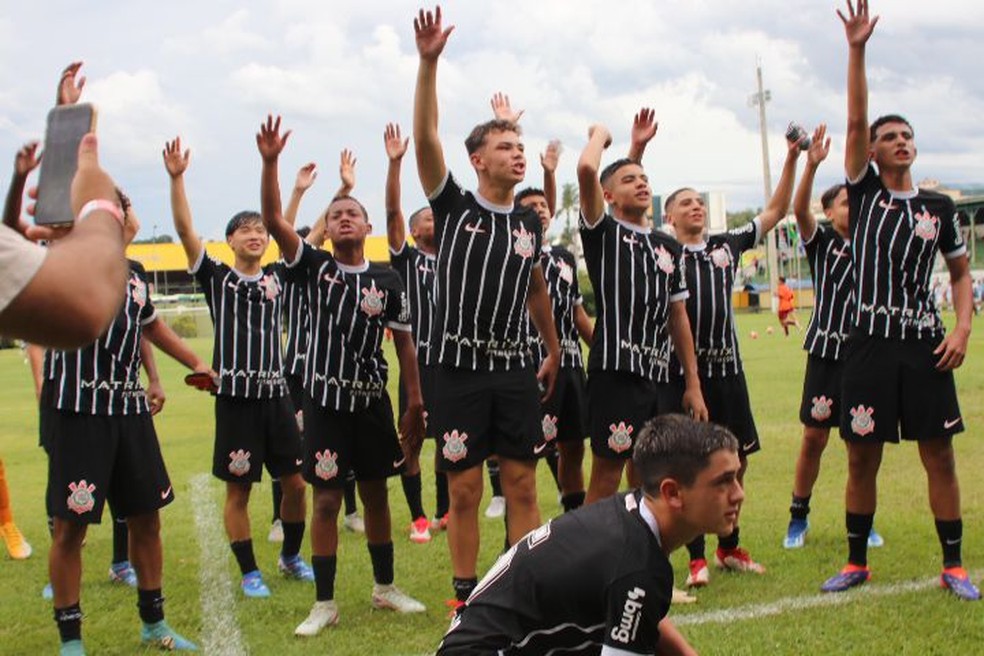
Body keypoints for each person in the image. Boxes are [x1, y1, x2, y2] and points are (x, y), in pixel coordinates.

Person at [821, 0, 978, 601]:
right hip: (867, 347)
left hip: (924, 345)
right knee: (862, 458)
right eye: (889, 137)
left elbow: (960, 274)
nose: (898, 141)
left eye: (907, 134)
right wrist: (857, 50)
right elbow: (855, 121)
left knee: (939, 456)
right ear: (875, 153)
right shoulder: (863, 195)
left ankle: (954, 566)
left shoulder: (939, 209)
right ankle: (856, 562)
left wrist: (961, 328)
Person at [413, 6, 562, 608]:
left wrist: (551, 348)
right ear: (478, 160)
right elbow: (425, 138)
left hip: (513, 368)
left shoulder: (528, 222)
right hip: (454, 368)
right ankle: (464, 595)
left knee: (523, 481)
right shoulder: (453, 207)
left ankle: (520, 586)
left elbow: (534, 288)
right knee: (466, 488)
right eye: (504, 146)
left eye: (519, 145)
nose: (516, 153)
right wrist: (429, 64)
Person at [257, 115, 428, 636]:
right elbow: (272, 220)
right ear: (326, 230)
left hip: (373, 403)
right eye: (336, 214)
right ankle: (324, 601)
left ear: (367, 226)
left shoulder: (387, 278)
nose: (345, 218)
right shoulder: (312, 267)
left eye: (353, 212)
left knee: (377, 494)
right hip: (326, 404)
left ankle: (384, 588)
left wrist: (415, 403)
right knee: (327, 500)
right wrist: (271, 163)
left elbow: (403, 343)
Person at [436, 414, 742, 655]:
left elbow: (640, 611)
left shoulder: (632, 510)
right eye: (724, 482)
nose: (738, 494)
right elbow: (635, 590)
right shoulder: (637, 566)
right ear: (673, 493)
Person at [42, 196, 201, 655]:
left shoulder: (134, 273)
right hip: (78, 412)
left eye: (115, 210)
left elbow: (148, 328)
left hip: (129, 412)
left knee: (146, 519)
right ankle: (71, 641)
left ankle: (154, 624)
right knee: (70, 528)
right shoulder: (62, 257)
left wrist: (193, 363)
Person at [651, 121, 802, 587]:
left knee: (737, 459)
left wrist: (793, 156)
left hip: (727, 371)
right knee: (691, 463)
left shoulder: (724, 246)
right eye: (685, 203)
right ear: (670, 217)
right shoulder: (662, 251)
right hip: (683, 376)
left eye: (699, 201)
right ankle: (694, 558)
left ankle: (728, 546)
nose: (695, 207)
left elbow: (776, 210)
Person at [163, 135, 312, 599]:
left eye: (259, 230)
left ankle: (290, 555)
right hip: (235, 401)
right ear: (229, 240)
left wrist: (300, 193)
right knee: (239, 491)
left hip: (278, 397)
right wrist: (177, 178)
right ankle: (250, 571)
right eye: (245, 229)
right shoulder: (217, 278)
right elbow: (186, 231)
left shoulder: (275, 277)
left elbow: (287, 229)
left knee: (294, 483)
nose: (255, 234)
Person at [576, 119, 707, 507]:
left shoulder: (668, 246)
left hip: (660, 376)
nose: (641, 183)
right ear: (608, 196)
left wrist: (693, 383)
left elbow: (678, 315)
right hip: (615, 374)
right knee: (607, 473)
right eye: (630, 179)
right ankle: (589, 562)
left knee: (649, 473)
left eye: (644, 177)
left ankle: (637, 555)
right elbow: (587, 170)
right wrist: (600, 135)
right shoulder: (604, 233)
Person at [783, 124, 882, 550]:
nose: (853, 207)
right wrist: (811, 164)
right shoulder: (822, 242)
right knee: (813, 438)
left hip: (867, 355)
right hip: (826, 352)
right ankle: (798, 517)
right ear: (831, 211)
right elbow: (800, 209)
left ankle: (864, 519)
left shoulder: (874, 244)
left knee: (862, 441)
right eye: (845, 202)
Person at [270, 153, 365, 543]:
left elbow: (323, 232)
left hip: (336, 368)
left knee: (343, 440)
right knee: (293, 444)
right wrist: (300, 191)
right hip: (297, 371)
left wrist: (344, 192)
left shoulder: (330, 273)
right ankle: (281, 518)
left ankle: (352, 511)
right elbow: (287, 230)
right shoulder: (293, 272)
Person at [514, 151, 594, 513]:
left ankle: (573, 517)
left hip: (572, 365)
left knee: (573, 446)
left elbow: (578, 314)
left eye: (544, 204)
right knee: (531, 449)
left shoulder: (563, 256)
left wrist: (603, 349)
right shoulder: (511, 253)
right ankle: (517, 530)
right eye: (530, 205)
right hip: (530, 364)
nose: (540, 209)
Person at [383, 121, 451, 540]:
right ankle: (419, 517)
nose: (435, 218)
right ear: (413, 230)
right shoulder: (405, 260)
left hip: (451, 366)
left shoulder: (454, 258)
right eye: (427, 215)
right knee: (412, 440)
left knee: (449, 441)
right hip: (416, 366)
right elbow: (391, 212)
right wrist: (396, 165)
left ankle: (445, 512)